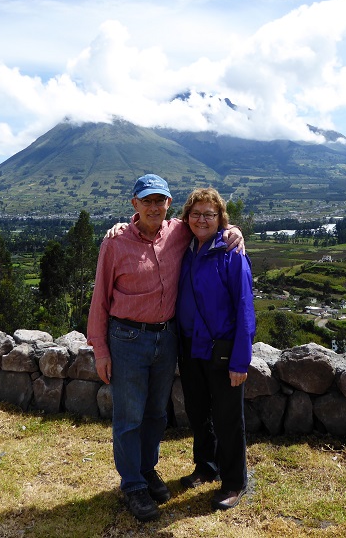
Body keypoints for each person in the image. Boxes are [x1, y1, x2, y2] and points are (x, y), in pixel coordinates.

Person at [87, 174, 243, 522]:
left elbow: (211, 224)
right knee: (128, 417)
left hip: (167, 337)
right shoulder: (114, 243)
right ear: (135, 205)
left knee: (157, 413)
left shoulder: (178, 231)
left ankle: (146, 469)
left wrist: (234, 232)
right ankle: (132, 485)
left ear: (170, 205)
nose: (154, 207)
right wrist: (100, 349)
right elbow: (99, 299)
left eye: (160, 201)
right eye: (147, 201)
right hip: (127, 339)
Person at [175, 187, 255, 510]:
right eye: (196, 214)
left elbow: (245, 307)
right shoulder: (186, 248)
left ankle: (235, 481)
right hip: (191, 347)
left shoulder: (232, 253)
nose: (202, 219)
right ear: (187, 218)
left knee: (227, 418)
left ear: (222, 218)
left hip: (222, 350)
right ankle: (206, 467)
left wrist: (241, 361)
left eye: (210, 214)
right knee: (197, 411)